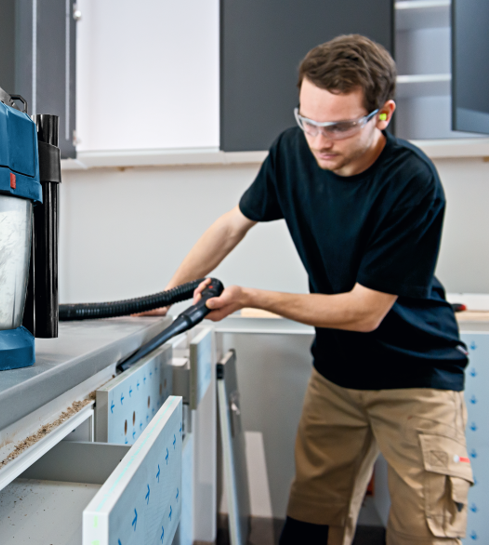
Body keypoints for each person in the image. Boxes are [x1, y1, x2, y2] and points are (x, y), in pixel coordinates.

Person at [146, 35, 472, 544]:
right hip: (337, 373)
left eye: (339, 127)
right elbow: (233, 224)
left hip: (414, 377)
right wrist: (167, 296)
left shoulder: (411, 181)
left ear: (383, 115)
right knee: (310, 527)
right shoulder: (291, 152)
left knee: (424, 533)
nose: (320, 141)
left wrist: (250, 297)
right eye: (308, 121)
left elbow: (364, 312)